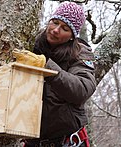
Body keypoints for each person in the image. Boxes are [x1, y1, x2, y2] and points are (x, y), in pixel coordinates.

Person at [23, 1, 96, 147]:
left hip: (67, 141)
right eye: (54, 22)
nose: (56, 30)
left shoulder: (80, 53)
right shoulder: (31, 43)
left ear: (72, 36)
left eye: (64, 28)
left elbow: (82, 89)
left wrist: (47, 67)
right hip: (31, 141)